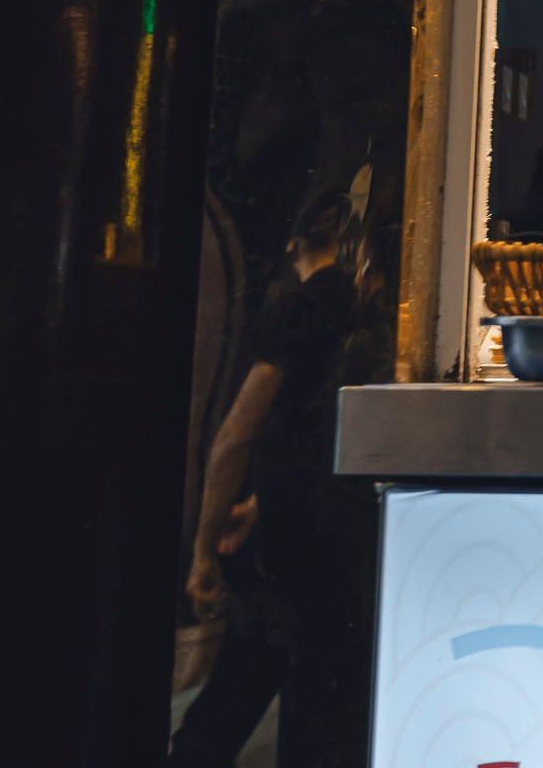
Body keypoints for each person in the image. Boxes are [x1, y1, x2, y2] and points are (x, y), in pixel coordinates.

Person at [171, 191, 389, 767]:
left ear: (294, 244)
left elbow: (237, 435)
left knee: (223, 710)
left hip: (288, 550)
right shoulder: (365, 315)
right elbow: (319, 431)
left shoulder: (297, 308)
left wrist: (201, 551)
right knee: (313, 709)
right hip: (336, 538)